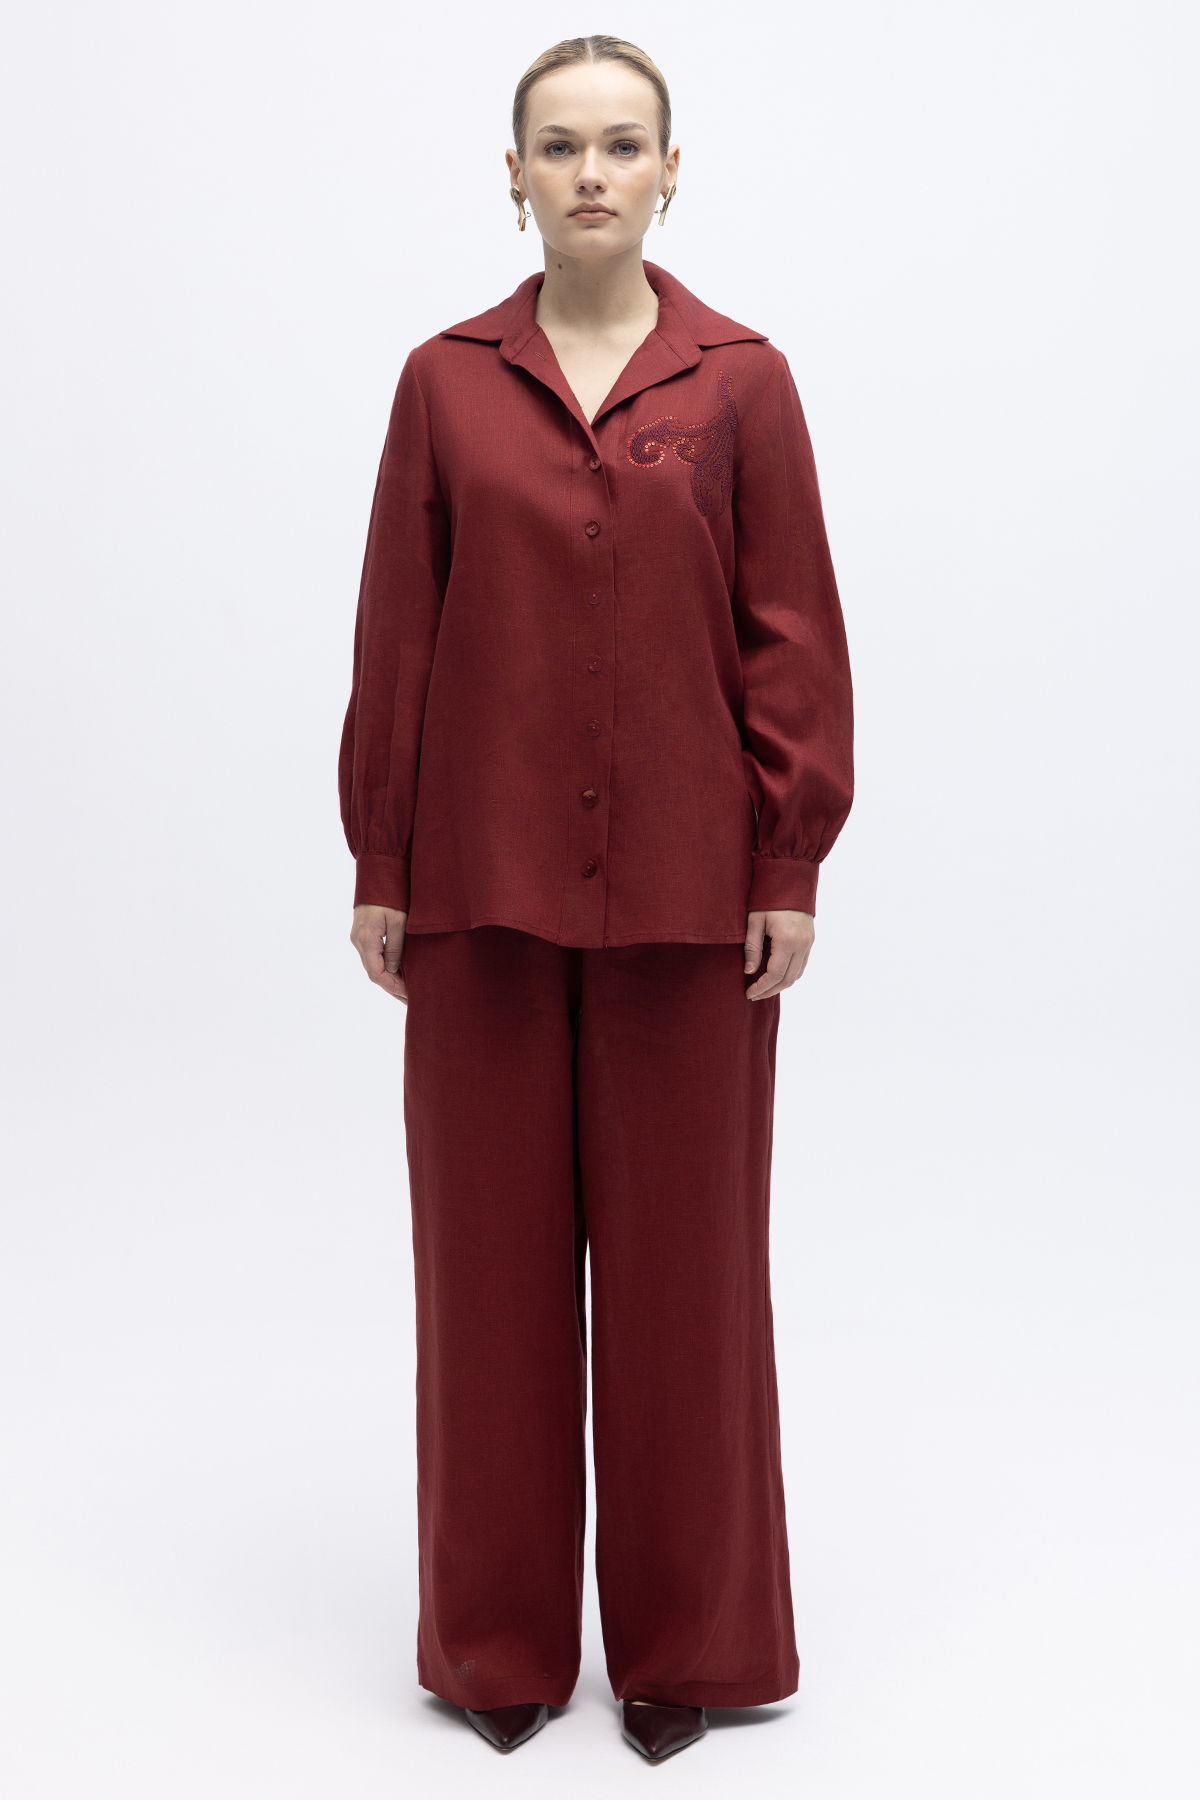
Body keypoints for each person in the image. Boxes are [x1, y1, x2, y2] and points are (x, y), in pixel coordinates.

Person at [340, 34, 853, 1765]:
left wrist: (788, 859)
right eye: (558, 146)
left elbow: (792, 634)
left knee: (686, 1287)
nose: (590, 174)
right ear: (512, 175)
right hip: (477, 890)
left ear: (670, 171)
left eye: (621, 145)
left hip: (696, 902)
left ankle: (685, 1647)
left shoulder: (744, 385)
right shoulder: (443, 383)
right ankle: (493, 1649)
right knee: (482, 1286)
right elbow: (399, 632)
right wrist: (383, 859)